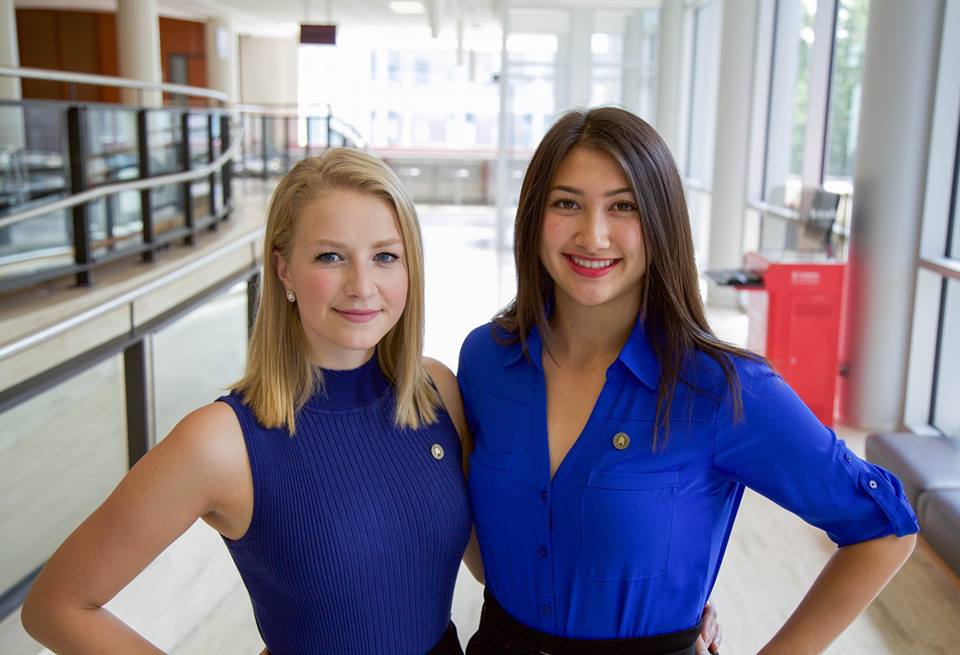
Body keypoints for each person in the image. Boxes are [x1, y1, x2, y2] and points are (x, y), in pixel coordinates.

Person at [457, 107, 919, 655]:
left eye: (623, 206)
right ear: (534, 216)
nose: (593, 234)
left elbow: (884, 531)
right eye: (566, 203)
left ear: (661, 223)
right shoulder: (486, 359)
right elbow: (495, 553)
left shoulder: (722, 389)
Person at [21, 148, 480, 655]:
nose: (363, 286)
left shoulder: (436, 391)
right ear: (283, 271)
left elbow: (489, 566)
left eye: (385, 256)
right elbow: (56, 606)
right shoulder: (223, 441)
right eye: (330, 256)